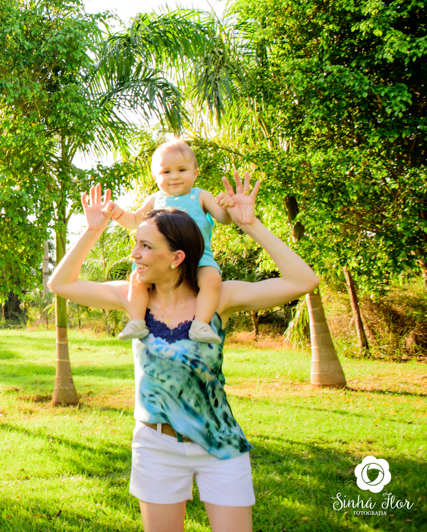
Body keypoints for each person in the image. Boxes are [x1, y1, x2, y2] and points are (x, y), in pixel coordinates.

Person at [48, 174, 319, 532]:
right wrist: (92, 230)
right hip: (155, 445)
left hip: (220, 442)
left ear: (177, 257)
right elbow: (60, 283)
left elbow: (304, 281)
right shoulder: (132, 297)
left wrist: (251, 225)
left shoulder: (218, 298)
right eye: (136, 244)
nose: (134, 254)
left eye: (146, 246)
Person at [109, 138, 232, 344]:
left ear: (195, 173)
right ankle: (137, 321)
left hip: (199, 258)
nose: (174, 176)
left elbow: (222, 217)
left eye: (182, 170)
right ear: (155, 176)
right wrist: (118, 213)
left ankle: (201, 324)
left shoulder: (201, 196)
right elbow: (134, 220)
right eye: (166, 172)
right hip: (160, 261)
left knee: (211, 279)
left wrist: (228, 208)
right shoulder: (155, 199)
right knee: (137, 280)